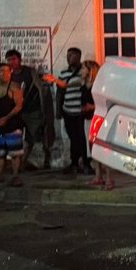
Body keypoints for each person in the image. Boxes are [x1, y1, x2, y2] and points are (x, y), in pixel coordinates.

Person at [43, 47, 91, 175]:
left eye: (73, 56)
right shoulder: (64, 72)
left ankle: (85, 162)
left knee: (82, 138)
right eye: (68, 56)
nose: (70, 58)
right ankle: (74, 162)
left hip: (80, 110)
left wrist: (56, 80)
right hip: (68, 109)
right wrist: (58, 110)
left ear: (79, 57)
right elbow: (60, 92)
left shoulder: (84, 71)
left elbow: (74, 84)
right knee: (73, 138)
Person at [6, 49, 50, 170]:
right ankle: (19, 163)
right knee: (17, 137)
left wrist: (42, 108)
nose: (12, 62)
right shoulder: (8, 75)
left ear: (19, 59)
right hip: (18, 111)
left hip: (32, 109)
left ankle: (45, 157)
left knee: (33, 136)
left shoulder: (29, 71)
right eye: (9, 60)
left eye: (14, 59)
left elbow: (40, 88)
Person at [81, 59, 114, 190]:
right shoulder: (84, 85)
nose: (81, 71)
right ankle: (98, 176)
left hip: (99, 118)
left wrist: (92, 106)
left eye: (84, 69)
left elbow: (107, 102)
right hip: (88, 118)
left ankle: (108, 178)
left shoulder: (100, 85)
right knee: (93, 148)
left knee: (103, 148)